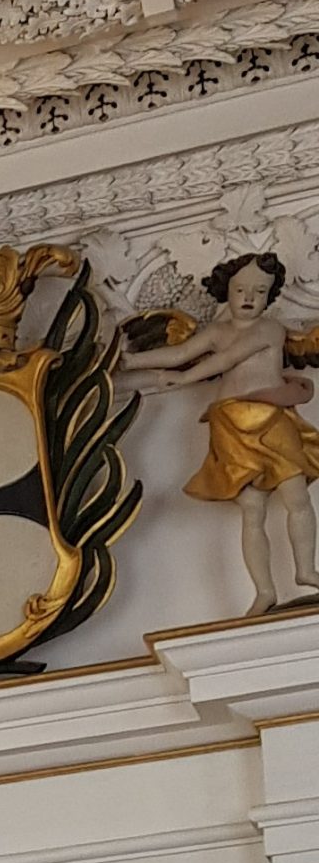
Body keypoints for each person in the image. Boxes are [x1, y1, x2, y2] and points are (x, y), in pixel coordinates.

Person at [121, 251, 319, 614]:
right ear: (226, 290)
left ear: (270, 295)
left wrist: (184, 379)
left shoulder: (269, 329)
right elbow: (177, 353)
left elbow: (227, 359)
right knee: (251, 508)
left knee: (296, 496)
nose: (249, 297)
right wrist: (132, 361)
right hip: (230, 422)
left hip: (270, 416)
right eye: (242, 289)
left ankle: (306, 570)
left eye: (260, 291)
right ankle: (264, 591)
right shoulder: (216, 331)